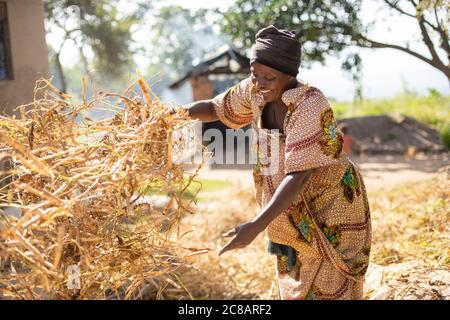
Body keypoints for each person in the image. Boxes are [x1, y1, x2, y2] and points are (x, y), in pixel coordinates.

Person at [181, 25, 371, 300]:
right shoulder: (254, 91)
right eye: (254, 74)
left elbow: (297, 177)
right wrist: (173, 114)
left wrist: (255, 226)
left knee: (329, 286)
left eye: (268, 77)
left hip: (331, 206)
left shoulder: (309, 105)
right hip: (288, 213)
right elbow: (215, 108)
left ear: (290, 76)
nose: (259, 83)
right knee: (295, 286)